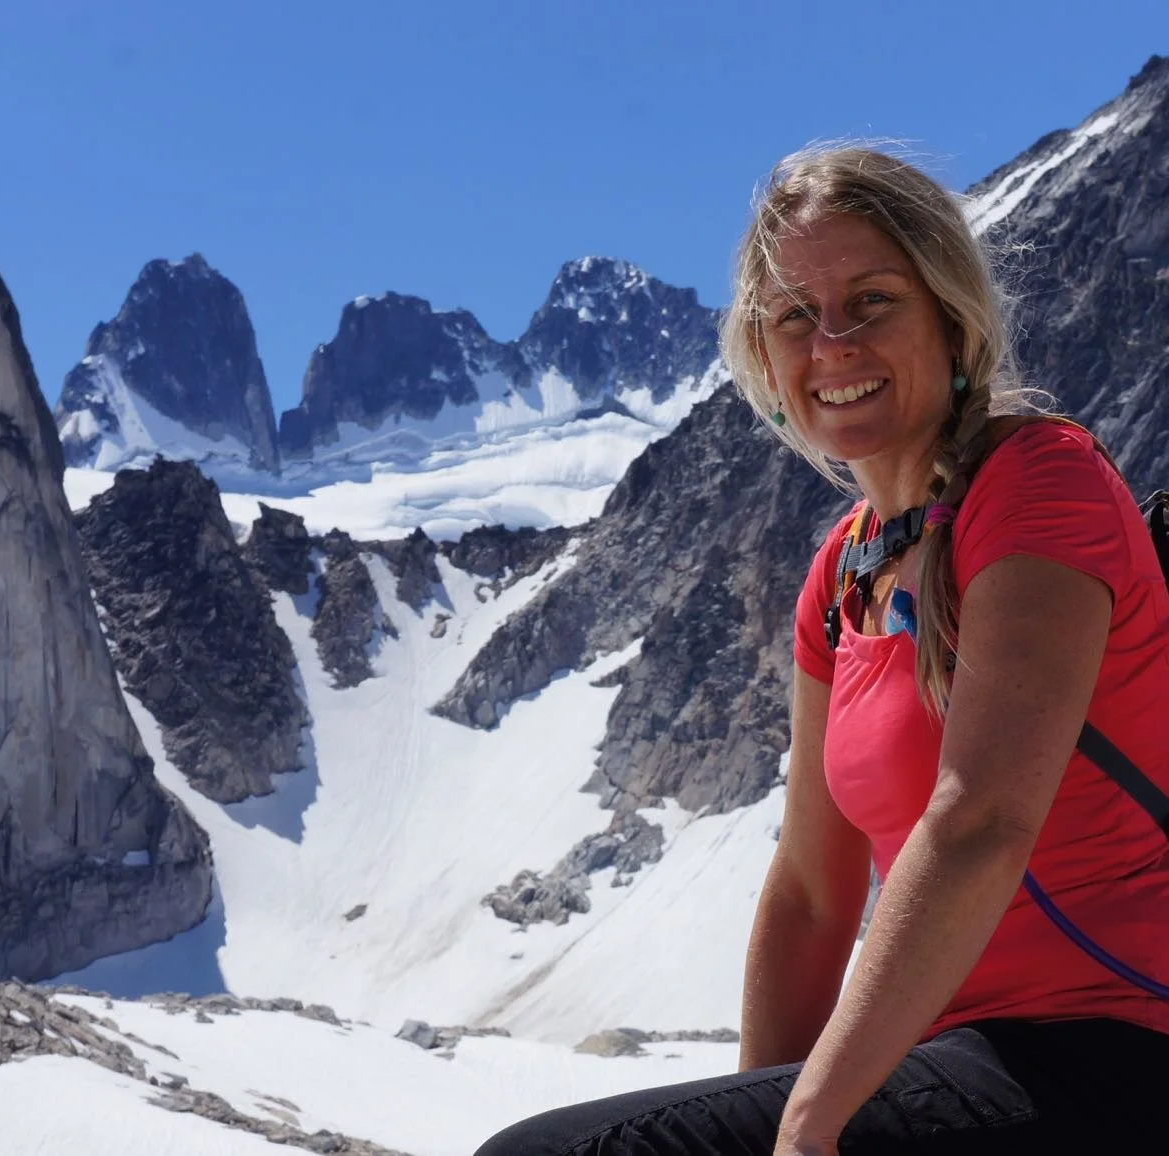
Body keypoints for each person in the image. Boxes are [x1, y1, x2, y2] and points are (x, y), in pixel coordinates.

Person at [473, 146, 1169, 1155]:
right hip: (958, 1064)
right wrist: (770, 1110)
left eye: (872, 300)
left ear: (951, 314)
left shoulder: (1040, 485)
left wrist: (809, 1117)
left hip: (1115, 1049)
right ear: (764, 356)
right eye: (796, 314)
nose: (832, 342)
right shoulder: (842, 581)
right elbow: (809, 890)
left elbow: (979, 817)